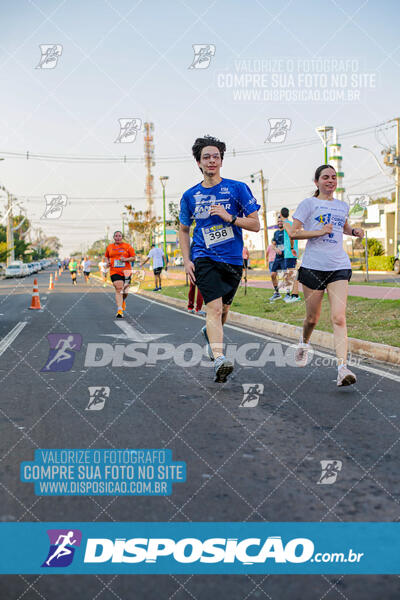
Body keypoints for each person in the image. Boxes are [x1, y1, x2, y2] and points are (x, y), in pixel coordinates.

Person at [179, 134, 260, 383]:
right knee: (212, 307)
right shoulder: (190, 195)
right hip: (204, 256)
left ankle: (210, 333)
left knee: (224, 310)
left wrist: (230, 217)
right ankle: (219, 359)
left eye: (216, 156)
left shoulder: (237, 188)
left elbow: (256, 225)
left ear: (221, 161)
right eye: (206, 157)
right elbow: (183, 230)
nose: (211, 161)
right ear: (198, 163)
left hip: (233, 258)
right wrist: (187, 259)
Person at [286, 164, 364, 387]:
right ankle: (304, 341)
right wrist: (319, 231)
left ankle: (342, 369)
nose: (330, 180)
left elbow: (342, 228)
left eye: (333, 177)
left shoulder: (342, 206)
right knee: (313, 318)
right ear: (316, 182)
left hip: (338, 266)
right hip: (313, 267)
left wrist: (354, 231)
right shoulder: (309, 204)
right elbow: (293, 232)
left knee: (339, 317)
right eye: (325, 177)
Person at [105, 231, 136, 318]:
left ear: (122, 237)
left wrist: (125, 260)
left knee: (125, 291)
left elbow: (133, 258)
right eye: (116, 236)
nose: (118, 237)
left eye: (119, 236)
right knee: (119, 288)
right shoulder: (109, 247)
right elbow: (106, 256)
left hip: (126, 271)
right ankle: (119, 310)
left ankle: (122, 301)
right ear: (114, 237)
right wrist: (107, 262)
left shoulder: (128, 246)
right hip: (114, 271)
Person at [280, 207, 301, 303]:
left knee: (292, 274)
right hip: (291, 252)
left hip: (290, 252)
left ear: (280, 214)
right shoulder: (292, 223)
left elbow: (291, 235)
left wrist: (292, 248)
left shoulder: (286, 223)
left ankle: (295, 296)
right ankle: (291, 294)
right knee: (290, 274)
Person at [269, 216, 286, 302]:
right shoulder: (275, 233)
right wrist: (275, 249)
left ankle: (288, 294)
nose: (280, 222)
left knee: (286, 275)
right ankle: (277, 293)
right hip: (278, 257)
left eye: (281, 221)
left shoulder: (286, 231)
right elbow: (273, 244)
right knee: (273, 275)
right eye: (278, 221)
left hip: (285, 256)